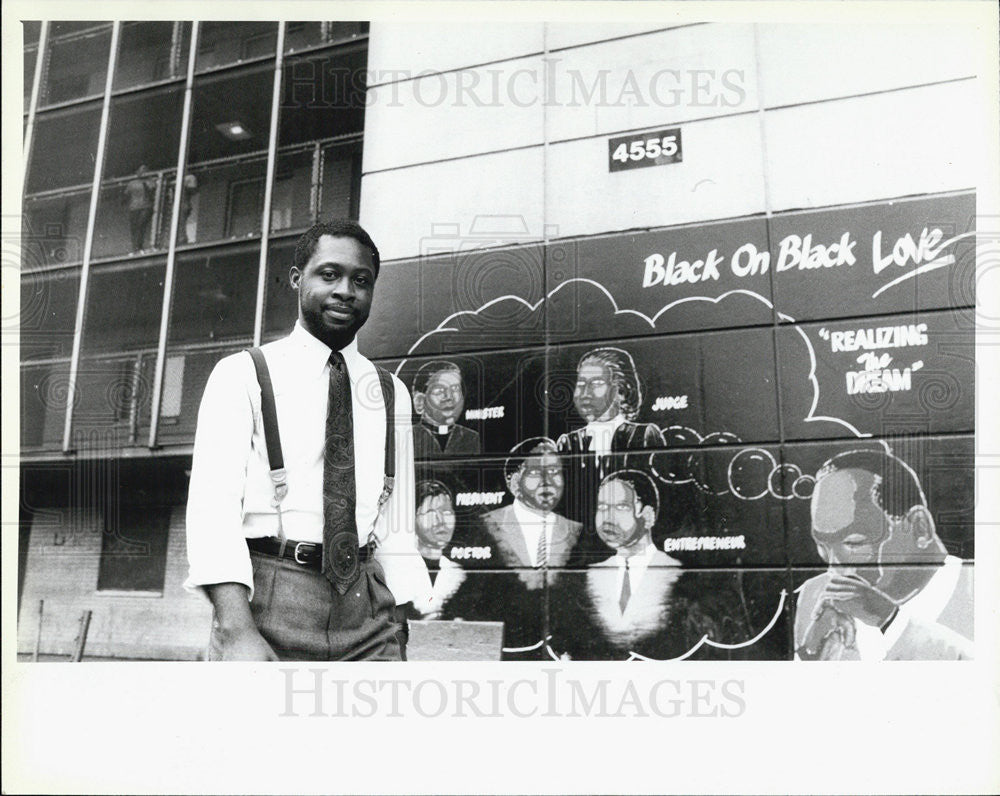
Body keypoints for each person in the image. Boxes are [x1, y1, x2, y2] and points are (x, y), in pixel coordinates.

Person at [185, 220, 432, 661]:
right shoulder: (242, 374)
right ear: (298, 278)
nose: (345, 291)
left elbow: (396, 525)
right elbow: (212, 513)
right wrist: (237, 630)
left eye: (361, 280)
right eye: (329, 274)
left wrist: (398, 620)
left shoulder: (392, 392)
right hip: (270, 597)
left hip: (366, 606)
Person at [794, 448, 973, 661]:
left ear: (919, 528)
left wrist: (889, 620)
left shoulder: (982, 589)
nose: (835, 570)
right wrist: (813, 653)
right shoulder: (814, 595)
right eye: (823, 546)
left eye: (854, 543)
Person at [556, 347, 665, 560]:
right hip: (580, 556)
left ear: (621, 390)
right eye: (580, 384)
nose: (584, 393)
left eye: (596, 384)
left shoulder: (644, 436)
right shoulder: (567, 443)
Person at [479, 437, 582, 590]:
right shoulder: (486, 526)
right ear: (514, 482)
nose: (548, 482)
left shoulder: (576, 531)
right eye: (535, 472)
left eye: (554, 471)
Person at [414, 479, 465, 617]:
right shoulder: (398, 569)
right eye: (430, 513)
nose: (441, 521)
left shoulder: (459, 574)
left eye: (447, 512)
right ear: (413, 518)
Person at [411, 361, 481, 458]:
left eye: (455, 389)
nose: (449, 397)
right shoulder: (407, 437)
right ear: (420, 401)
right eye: (440, 390)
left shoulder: (471, 438)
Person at [122, 164, 155, 253]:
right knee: (134, 228)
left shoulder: (150, 181)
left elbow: (151, 193)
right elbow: (126, 195)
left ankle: (139, 246)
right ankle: (135, 247)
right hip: (134, 208)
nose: (143, 172)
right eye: (141, 170)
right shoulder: (132, 183)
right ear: (137, 172)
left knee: (141, 225)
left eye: (145, 170)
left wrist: (145, 185)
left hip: (146, 206)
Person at [178, 171, 199, 245]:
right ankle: (181, 238)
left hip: (183, 205)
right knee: (180, 222)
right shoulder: (186, 178)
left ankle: (182, 239)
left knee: (180, 222)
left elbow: (193, 189)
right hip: (183, 204)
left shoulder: (188, 178)